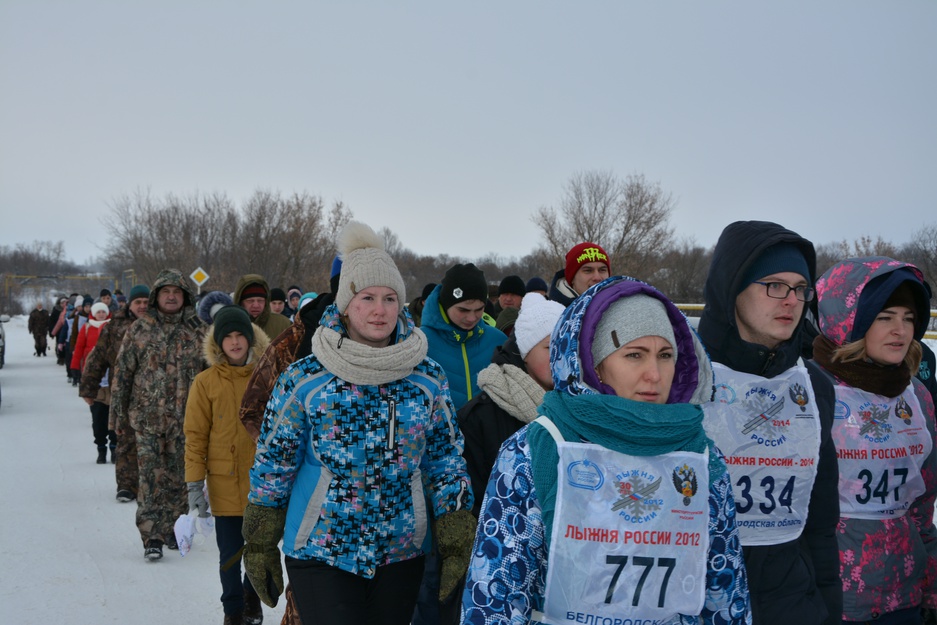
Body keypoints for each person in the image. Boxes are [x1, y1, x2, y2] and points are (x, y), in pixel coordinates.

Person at [461, 276, 750, 624]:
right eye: (634, 355)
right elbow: (498, 593)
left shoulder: (701, 456)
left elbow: (724, 589)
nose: (654, 374)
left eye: (665, 355)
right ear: (595, 365)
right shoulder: (536, 449)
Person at [242, 222, 474, 625]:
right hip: (321, 548)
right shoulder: (305, 379)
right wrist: (260, 539)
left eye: (389, 298)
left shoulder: (426, 378)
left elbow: (444, 458)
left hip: (400, 549)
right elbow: (274, 462)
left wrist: (454, 531)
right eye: (367, 297)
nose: (379, 309)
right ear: (346, 304)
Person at [697, 221, 842, 625]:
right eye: (774, 285)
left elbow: (821, 523)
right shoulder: (681, 377)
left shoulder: (813, 386)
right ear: (733, 289)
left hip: (790, 603)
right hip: (698, 601)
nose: (791, 300)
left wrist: (828, 609)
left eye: (800, 288)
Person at [812, 256, 937, 624]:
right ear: (850, 320)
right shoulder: (812, 390)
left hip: (904, 594)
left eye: (909, 317)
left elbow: (923, 502)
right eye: (885, 317)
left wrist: (930, 583)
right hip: (835, 596)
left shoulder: (917, 395)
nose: (900, 329)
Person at [110, 269, 208, 561]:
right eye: (165, 292)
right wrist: (116, 416)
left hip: (186, 420)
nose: (171, 297)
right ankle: (151, 535)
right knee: (150, 479)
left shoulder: (198, 330)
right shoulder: (140, 329)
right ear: (156, 297)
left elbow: (211, 375)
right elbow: (123, 374)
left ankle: (174, 531)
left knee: (181, 478)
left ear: (185, 297)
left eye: (176, 292)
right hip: (147, 419)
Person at [184, 305, 270, 625]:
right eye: (228, 337)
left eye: (240, 336)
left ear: (250, 338)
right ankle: (232, 611)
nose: (235, 342)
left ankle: (251, 598)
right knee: (230, 555)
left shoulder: (268, 377)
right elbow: (195, 436)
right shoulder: (205, 382)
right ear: (218, 343)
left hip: (263, 483)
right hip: (224, 481)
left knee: (259, 550)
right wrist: (194, 484)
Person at [458, 291, 565, 517]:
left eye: (566, 345)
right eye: (549, 347)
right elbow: (476, 501)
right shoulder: (481, 416)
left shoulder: (581, 405)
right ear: (525, 352)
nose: (560, 356)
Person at [80, 284, 150, 501]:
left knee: (151, 443)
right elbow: (98, 357)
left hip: (154, 396)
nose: (142, 306)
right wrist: (89, 388)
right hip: (123, 395)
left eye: (146, 302)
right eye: (138, 302)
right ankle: (126, 486)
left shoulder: (158, 326)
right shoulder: (115, 327)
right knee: (125, 441)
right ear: (130, 303)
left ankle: (150, 486)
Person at [420, 263, 507, 410]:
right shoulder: (420, 342)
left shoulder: (499, 341)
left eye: (479, 309)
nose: (472, 318)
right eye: (463, 310)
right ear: (446, 304)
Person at [72, 302, 114, 464]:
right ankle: (101, 449)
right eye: (99, 312)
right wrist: (76, 366)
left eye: (104, 312)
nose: (102, 314)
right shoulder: (88, 327)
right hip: (94, 376)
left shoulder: (113, 327)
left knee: (114, 418)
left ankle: (114, 449)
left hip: (111, 378)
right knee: (98, 419)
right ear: (94, 314)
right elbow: (79, 346)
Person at [548, 241, 611, 306]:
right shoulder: (554, 313)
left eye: (602, 270)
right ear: (572, 278)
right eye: (588, 271)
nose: (597, 278)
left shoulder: (618, 307)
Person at [234, 275, 291, 341]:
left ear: (266, 301)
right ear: (241, 302)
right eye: (250, 301)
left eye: (260, 300)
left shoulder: (283, 325)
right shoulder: (230, 325)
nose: (256, 305)